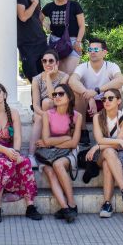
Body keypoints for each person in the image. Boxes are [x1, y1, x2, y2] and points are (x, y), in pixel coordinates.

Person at [0, 82, 41, 222]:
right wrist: (7, 152)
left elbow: (17, 136)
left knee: (24, 162)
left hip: (9, 150)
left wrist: (16, 153)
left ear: (4, 95)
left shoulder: (13, 113)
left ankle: (30, 206)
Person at [34, 82, 82, 223]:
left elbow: (74, 143)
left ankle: (72, 203)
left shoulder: (77, 116)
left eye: (61, 94)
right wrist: (66, 137)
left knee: (58, 165)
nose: (57, 97)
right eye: (55, 94)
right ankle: (66, 208)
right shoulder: (47, 114)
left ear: (70, 97)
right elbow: (46, 141)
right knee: (50, 171)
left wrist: (58, 141)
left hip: (68, 152)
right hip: (47, 153)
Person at [86, 88, 123, 218]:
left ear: (118, 101)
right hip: (101, 155)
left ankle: (107, 204)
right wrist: (117, 141)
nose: (106, 101)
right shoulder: (97, 117)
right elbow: (100, 139)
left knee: (108, 161)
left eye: (110, 98)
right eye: (104, 99)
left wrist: (97, 147)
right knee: (107, 151)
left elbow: (118, 145)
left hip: (120, 156)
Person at [29, 49, 69, 165]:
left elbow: (55, 98)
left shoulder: (64, 77)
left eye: (51, 61)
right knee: (40, 116)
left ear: (57, 63)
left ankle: (46, 146)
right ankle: (31, 155)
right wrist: (45, 115)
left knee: (47, 102)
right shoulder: (36, 79)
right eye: (44, 61)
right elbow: (35, 104)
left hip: (60, 108)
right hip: (42, 111)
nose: (47, 64)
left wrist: (48, 78)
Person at [68, 38, 123, 118]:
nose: (92, 52)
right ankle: (83, 128)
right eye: (90, 49)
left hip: (106, 104)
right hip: (87, 106)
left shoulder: (111, 66)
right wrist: (90, 97)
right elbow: (72, 81)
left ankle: (113, 122)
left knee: (118, 89)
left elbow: (120, 80)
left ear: (104, 52)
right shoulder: (82, 67)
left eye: (96, 49)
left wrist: (96, 91)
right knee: (76, 92)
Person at [41, 0, 86, 74]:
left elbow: (82, 26)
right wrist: (47, 26)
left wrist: (78, 41)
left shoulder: (74, 5)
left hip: (73, 42)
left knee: (68, 73)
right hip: (55, 43)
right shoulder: (49, 6)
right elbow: (38, 18)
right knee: (58, 75)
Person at [16, 0, 48, 82]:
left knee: (45, 80)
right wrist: (34, 4)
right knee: (35, 80)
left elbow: (38, 18)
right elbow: (23, 17)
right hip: (27, 45)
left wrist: (48, 24)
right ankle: (36, 101)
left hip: (42, 42)